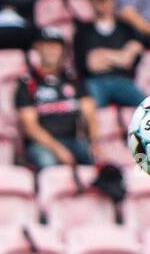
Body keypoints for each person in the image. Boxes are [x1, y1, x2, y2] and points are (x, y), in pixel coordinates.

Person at [15, 28, 98, 168]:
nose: (51, 50)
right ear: (38, 48)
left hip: (72, 139)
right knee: (48, 162)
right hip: (42, 144)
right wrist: (58, 149)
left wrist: (95, 143)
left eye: (55, 46)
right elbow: (30, 127)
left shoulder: (72, 80)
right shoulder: (28, 82)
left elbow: (90, 113)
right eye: (46, 45)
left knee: (97, 163)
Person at [74, 0, 146, 109]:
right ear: (91, 1)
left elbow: (130, 62)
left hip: (123, 80)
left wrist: (101, 54)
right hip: (95, 82)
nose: (103, 3)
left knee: (146, 107)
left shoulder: (126, 28)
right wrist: (121, 56)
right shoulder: (83, 31)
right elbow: (89, 65)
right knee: (88, 109)